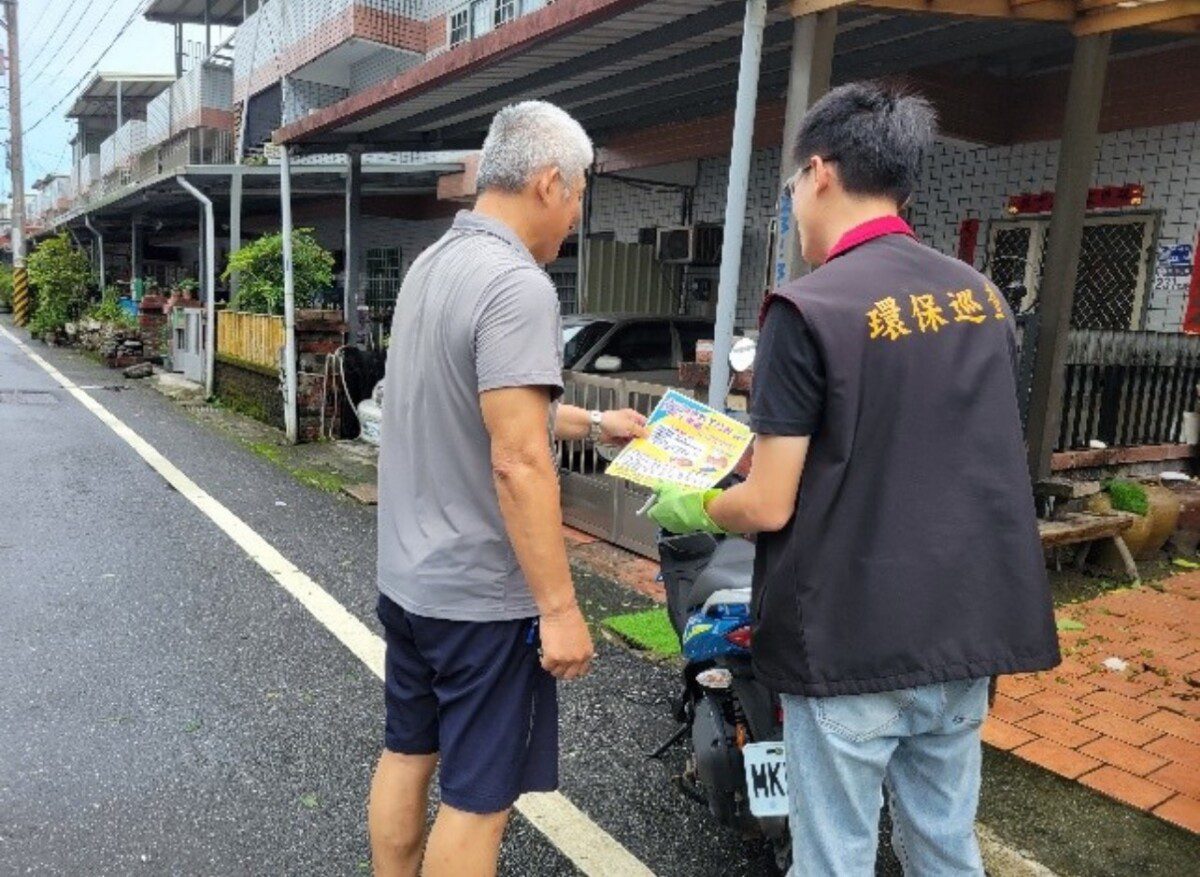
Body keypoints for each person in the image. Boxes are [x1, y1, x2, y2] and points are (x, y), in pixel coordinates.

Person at [648, 82, 1060, 875]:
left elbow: (769, 502)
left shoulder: (806, 309)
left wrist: (696, 496)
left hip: (847, 641)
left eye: (793, 188)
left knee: (833, 857)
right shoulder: (983, 298)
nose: (795, 205)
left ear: (819, 172)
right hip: (964, 631)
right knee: (944, 845)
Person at [369, 101, 647, 877]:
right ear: (550, 181)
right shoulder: (516, 285)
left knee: (407, 750)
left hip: (409, 581)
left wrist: (594, 424)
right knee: (478, 798)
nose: (578, 210)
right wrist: (561, 611)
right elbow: (517, 458)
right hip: (480, 602)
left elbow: (490, 406)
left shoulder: (432, 265)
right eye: (582, 191)